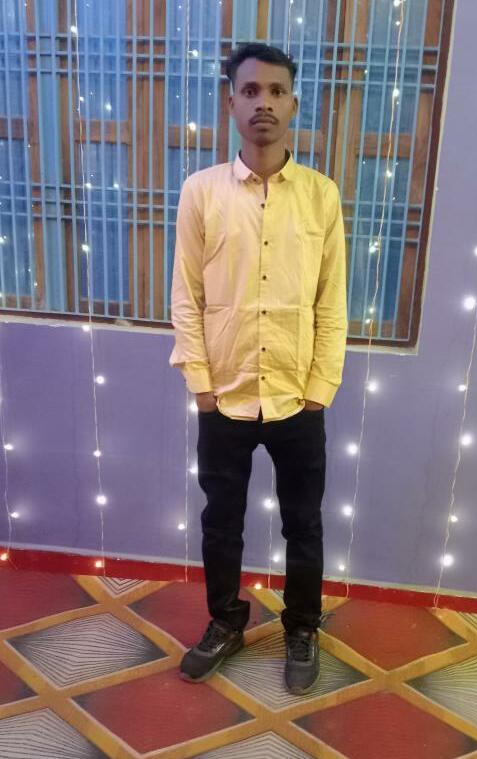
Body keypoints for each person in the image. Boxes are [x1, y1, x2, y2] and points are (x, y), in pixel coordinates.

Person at [169, 42, 347, 695]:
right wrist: (201, 385)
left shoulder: (321, 196)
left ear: (293, 104)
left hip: (299, 397)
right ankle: (225, 621)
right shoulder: (201, 192)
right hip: (226, 396)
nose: (263, 103)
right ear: (231, 103)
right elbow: (185, 295)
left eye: (276, 91)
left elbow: (332, 300)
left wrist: (321, 388)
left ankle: (302, 627)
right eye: (250, 91)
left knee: (305, 523)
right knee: (221, 522)